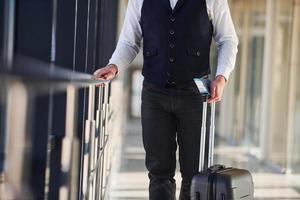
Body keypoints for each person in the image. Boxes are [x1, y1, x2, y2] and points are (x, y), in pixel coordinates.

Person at [94, 0, 238, 199]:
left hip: (195, 95)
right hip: (155, 94)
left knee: (195, 173)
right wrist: (113, 66)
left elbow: (228, 40)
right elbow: (129, 42)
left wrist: (222, 76)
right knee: (158, 172)